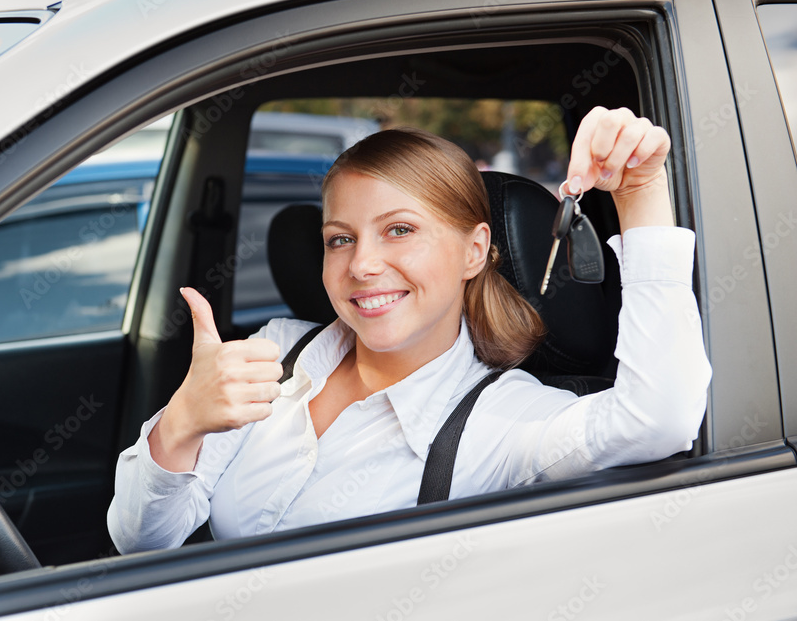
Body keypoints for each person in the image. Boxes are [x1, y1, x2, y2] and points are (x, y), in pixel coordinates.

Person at [107, 107, 711, 553]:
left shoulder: (500, 420)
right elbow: (143, 543)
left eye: (399, 230)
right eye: (340, 239)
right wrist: (183, 420)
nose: (362, 264)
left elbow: (660, 418)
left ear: (474, 252)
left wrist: (640, 194)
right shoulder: (275, 352)